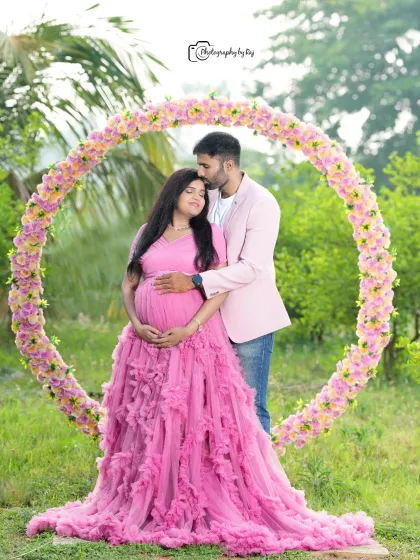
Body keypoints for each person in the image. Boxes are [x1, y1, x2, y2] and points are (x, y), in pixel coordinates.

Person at [26, 168, 374, 556]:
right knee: (148, 420)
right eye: (190, 191)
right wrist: (137, 323)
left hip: (194, 343)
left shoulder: (210, 235)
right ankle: (146, 498)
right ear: (173, 193)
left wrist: (189, 328)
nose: (197, 197)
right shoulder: (146, 233)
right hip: (145, 347)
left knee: (191, 421)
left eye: (202, 194)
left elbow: (219, 290)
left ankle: (189, 497)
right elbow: (129, 283)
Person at [153, 132, 291, 436]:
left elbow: (252, 268)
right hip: (207, 322)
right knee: (210, 406)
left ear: (228, 164)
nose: (199, 173)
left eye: (205, 166)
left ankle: (262, 482)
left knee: (250, 405)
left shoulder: (262, 203)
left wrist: (194, 281)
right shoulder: (206, 197)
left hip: (248, 322)